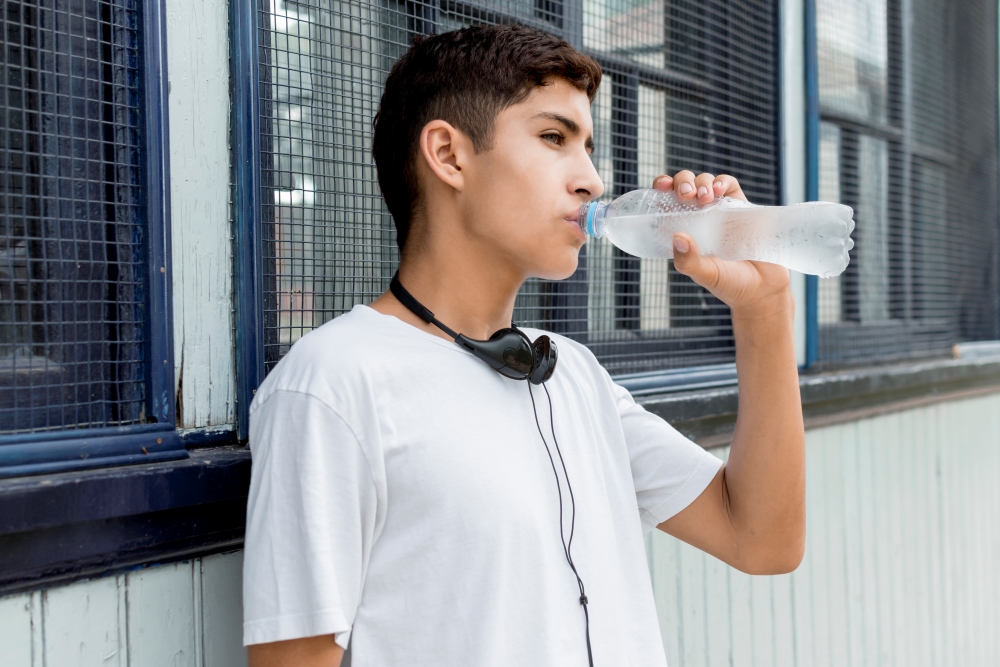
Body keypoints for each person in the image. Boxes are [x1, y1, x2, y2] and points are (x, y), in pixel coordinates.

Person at [243, 24, 805, 667]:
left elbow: (762, 541)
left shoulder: (574, 377)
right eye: (554, 138)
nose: (592, 181)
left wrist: (765, 311)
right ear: (449, 155)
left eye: (588, 147)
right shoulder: (333, 384)